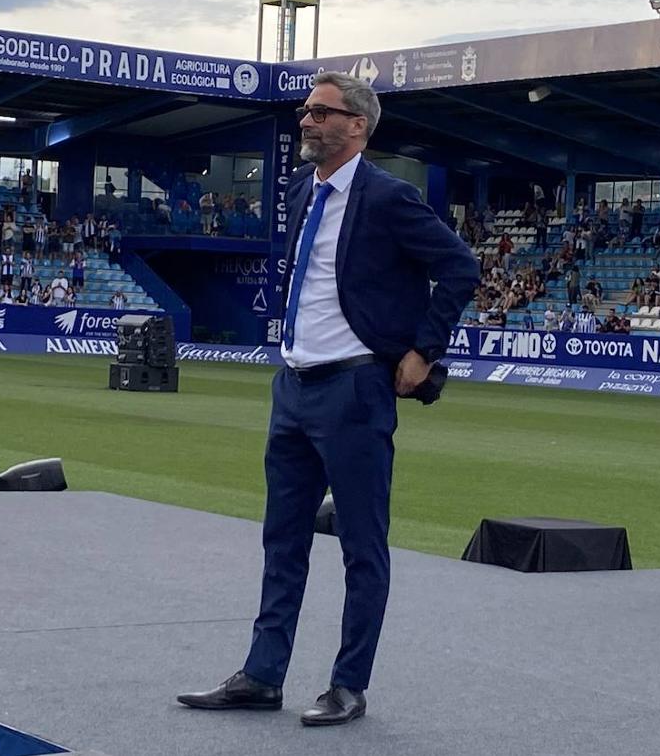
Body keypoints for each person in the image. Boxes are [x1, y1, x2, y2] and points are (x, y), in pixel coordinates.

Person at [177, 71, 479, 727]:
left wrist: (423, 350)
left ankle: (348, 684)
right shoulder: (299, 191)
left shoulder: (390, 197)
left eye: (320, 112)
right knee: (281, 541)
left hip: (354, 388)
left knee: (361, 546)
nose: (306, 121)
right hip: (293, 385)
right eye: (304, 111)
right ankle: (261, 675)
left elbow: (461, 266)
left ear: (357, 126)